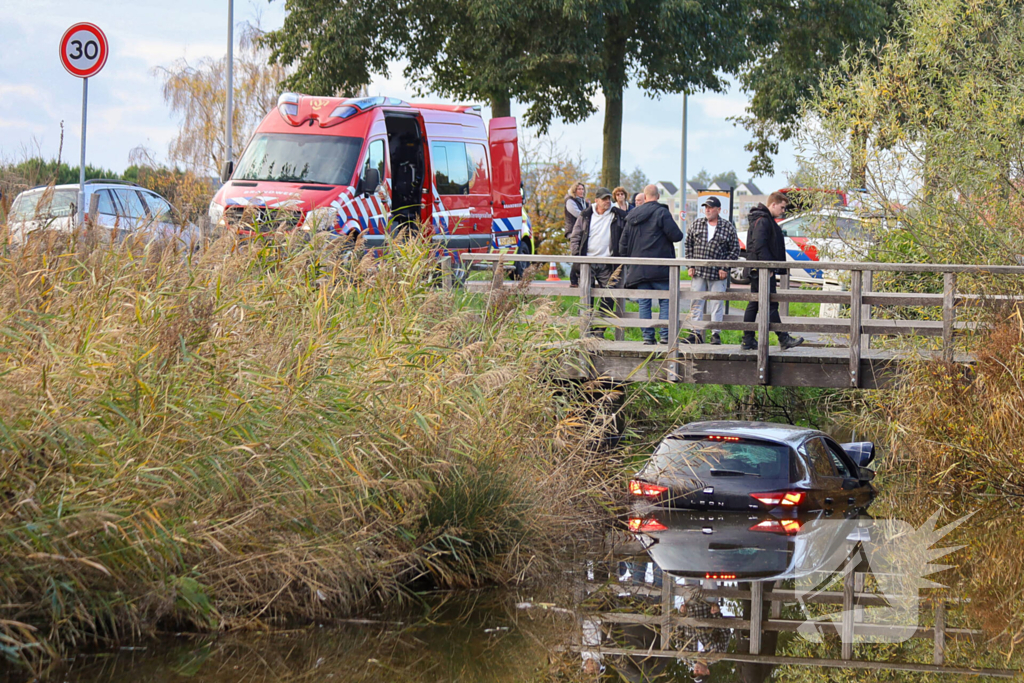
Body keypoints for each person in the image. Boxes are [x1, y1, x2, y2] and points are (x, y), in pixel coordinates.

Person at [618, 184, 683, 345]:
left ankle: (647, 336)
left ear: (645, 197)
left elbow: (622, 245)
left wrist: (630, 262)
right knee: (666, 301)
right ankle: (665, 335)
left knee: (644, 303)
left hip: (639, 269)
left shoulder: (632, 216)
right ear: (658, 196)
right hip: (661, 268)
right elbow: (677, 236)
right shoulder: (662, 213)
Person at [741, 192, 804, 351]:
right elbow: (759, 244)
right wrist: (767, 267)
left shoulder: (762, 219)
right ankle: (783, 338)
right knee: (770, 304)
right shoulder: (763, 220)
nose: (783, 211)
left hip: (758, 268)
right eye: (782, 207)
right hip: (761, 269)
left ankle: (747, 340)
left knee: (755, 303)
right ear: (773, 204)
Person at [570, 187, 627, 338]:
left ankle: (599, 330)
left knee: (609, 295)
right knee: (586, 295)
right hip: (587, 261)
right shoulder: (586, 215)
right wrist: (577, 256)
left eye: (608, 198)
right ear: (596, 201)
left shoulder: (617, 215)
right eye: (604, 199)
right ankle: (586, 330)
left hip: (607, 262)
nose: (607, 201)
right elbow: (575, 236)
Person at [685, 196, 740, 345]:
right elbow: (688, 245)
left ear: (718, 210)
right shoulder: (696, 224)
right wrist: (690, 265)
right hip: (698, 271)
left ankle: (715, 333)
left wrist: (725, 267)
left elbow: (734, 250)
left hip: (717, 273)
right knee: (696, 302)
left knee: (717, 303)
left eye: (710, 207)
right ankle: (695, 333)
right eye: (706, 207)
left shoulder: (727, 226)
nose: (707, 210)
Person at [565, 182, 590, 286]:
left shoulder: (584, 202)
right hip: (573, 231)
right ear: (574, 190)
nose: (581, 191)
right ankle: (574, 279)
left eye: (582, 189)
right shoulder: (570, 201)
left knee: (580, 252)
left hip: (582, 231)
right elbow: (578, 214)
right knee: (577, 253)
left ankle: (576, 278)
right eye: (579, 189)